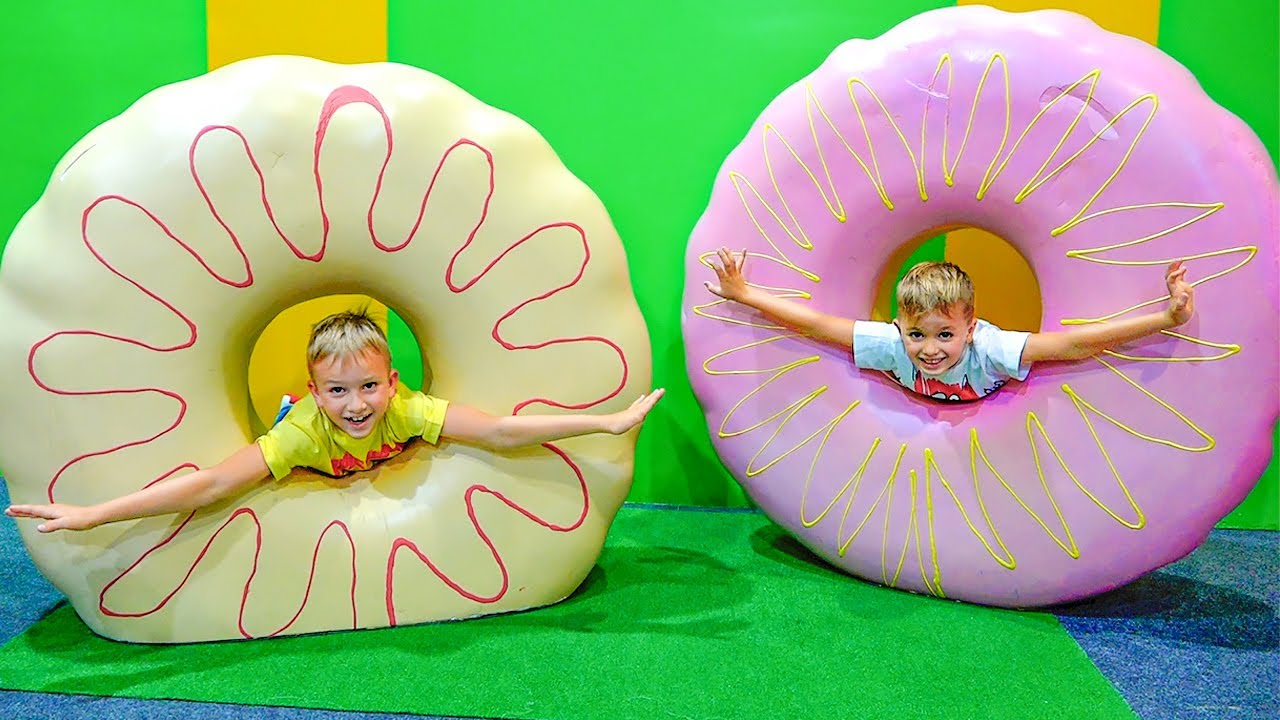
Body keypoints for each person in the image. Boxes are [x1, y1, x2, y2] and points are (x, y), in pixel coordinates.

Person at [6, 310, 665, 533]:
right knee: (272, 450)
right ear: (318, 391)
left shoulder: (405, 410)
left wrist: (607, 423)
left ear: (393, 382)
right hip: (307, 453)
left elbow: (495, 430)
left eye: (370, 386)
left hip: (371, 464)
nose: (357, 403)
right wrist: (93, 516)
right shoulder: (304, 431)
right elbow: (207, 486)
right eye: (340, 390)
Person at [702, 247, 1195, 402]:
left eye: (944, 334)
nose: (930, 350)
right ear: (898, 325)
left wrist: (1164, 318)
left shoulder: (989, 348)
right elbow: (817, 326)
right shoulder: (893, 345)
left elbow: (1071, 346)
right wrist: (744, 294)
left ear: (969, 326)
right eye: (917, 334)